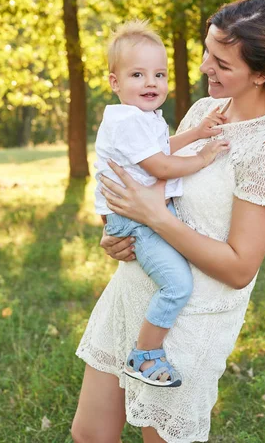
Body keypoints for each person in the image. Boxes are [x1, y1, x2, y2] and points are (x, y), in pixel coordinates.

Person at [72, 0, 265, 443]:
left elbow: (241, 268)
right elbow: (157, 176)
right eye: (207, 51)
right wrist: (122, 235)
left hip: (188, 323)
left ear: (261, 73)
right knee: (89, 434)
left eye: (221, 62)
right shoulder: (206, 112)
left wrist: (155, 217)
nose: (204, 67)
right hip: (133, 294)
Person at [94, 21, 229, 388]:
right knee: (177, 285)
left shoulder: (142, 118)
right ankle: (145, 355)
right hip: (136, 221)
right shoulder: (124, 122)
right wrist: (203, 156)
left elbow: (163, 147)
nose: (151, 82)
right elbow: (160, 165)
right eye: (137, 74)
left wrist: (198, 131)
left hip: (145, 214)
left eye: (159, 74)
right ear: (115, 83)